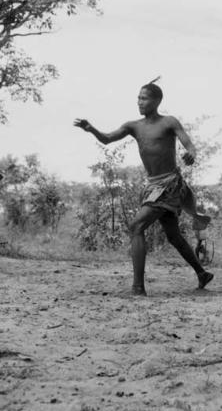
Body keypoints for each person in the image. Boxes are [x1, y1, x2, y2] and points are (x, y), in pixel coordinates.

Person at [74, 78, 213, 295]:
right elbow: (108, 139)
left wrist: (191, 154)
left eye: (144, 98)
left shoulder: (169, 122)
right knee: (174, 236)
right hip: (153, 187)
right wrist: (91, 128)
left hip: (169, 186)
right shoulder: (134, 126)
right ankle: (202, 273)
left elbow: (188, 144)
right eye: (138, 98)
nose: (139, 102)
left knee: (136, 226)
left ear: (157, 101)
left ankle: (138, 288)